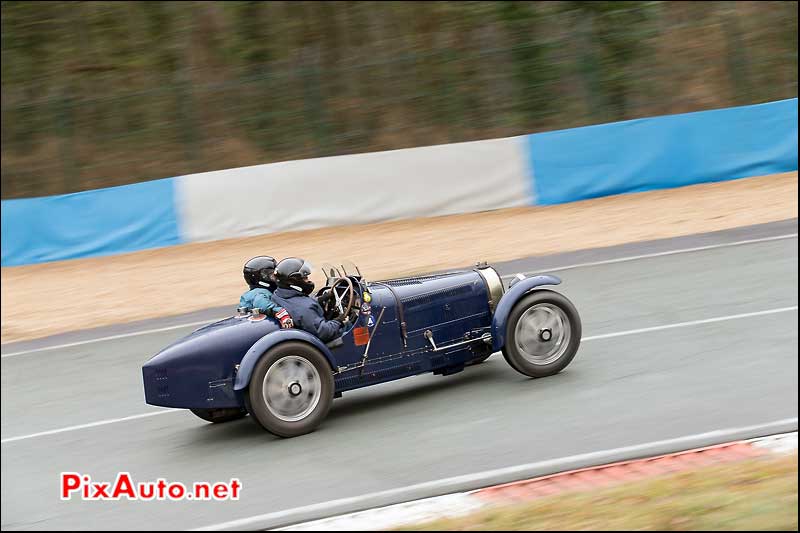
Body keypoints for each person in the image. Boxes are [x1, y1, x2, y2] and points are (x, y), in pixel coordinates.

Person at [271, 257, 345, 342]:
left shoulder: (279, 295)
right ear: (292, 281)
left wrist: (320, 300)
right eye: (305, 278)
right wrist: (339, 320)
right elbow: (324, 332)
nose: (309, 281)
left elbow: (301, 304)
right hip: (324, 343)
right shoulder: (304, 309)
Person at [239, 256, 293, 329]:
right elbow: (262, 303)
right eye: (271, 275)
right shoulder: (259, 293)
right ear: (260, 278)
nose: (275, 278)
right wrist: (281, 313)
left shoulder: (255, 292)